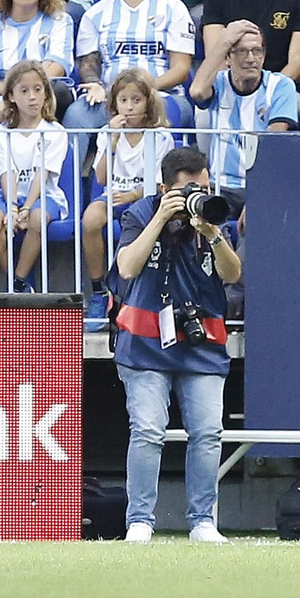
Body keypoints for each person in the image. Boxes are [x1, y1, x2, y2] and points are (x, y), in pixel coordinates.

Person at [111, 145, 242, 544]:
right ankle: (140, 520)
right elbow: (127, 266)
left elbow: (233, 273)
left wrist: (214, 235)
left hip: (202, 342)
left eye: (201, 187)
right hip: (146, 341)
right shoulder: (140, 212)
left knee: (207, 432)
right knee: (148, 429)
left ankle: (202, 520)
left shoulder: (214, 215)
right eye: (187, 190)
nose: (195, 198)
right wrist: (163, 217)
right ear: (163, 187)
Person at [68, 0, 196, 129]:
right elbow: (88, 64)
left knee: (167, 112)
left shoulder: (174, 8)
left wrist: (142, 91)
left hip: (159, 96)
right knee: (77, 115)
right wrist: (96, 85)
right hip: (110, 98)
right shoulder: (96, 13)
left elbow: (181, 68)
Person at [83, 69, 172, 329]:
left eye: (136, 100)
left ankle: (141, 296)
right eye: (123, 100)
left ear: (147, 103)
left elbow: (158, 183)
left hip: (144, 198)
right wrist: (112, 139)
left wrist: (133, 195)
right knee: (90, 219)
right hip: (113, 195)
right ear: (114, 104)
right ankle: (99, 290)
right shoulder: (107, 132)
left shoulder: (160, 135)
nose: (129, 107)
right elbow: (100, 178)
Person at [189, 19, 299, 211]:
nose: (251, 58)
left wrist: (257, 198)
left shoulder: (280, 85)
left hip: (261, 186)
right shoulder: (218, 82)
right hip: (220, 187)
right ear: (228, 58)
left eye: (257, 51)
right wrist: (223, 41)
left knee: (252, 234)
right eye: (241, 51)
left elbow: (272, 147)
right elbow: (197, 91)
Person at [0, 61, 69, 292]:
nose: (32, 97)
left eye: (38, 89)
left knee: (37, 217)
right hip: (11, 195)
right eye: (24, 91)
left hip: (44, 195)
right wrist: (12, 207)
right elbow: (6, 171)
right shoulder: (1, 133)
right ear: (11, 96)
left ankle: (20, 280)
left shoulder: (56, 132)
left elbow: (43, 173)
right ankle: (16, 283)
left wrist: (27, 207)